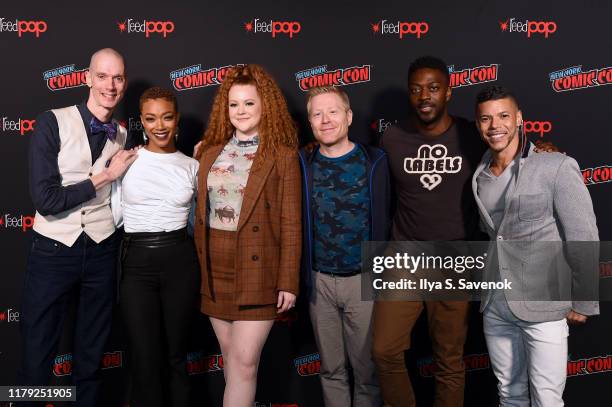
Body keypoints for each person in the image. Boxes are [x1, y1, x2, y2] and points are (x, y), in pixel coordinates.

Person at [21, 48, 137, 406]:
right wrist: (105, 176)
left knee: (91, 356)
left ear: (125, 82)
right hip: (53, 251)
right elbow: (46, 200)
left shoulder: (122, 135)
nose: (110, 85)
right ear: (87, 78)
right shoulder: (51, 122)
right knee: (36, 355)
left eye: (117, 77)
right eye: (102, 76)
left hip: (102, 250)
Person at [472, 85, 599, 406]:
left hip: (544, 304)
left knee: (547, 398)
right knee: (509, 394)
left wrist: (584, 300)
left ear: (519, 119)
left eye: (503, 116)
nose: (494, 125)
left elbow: (583, 234)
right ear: (478, 125)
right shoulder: (480, 174)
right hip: (496, 304)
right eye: (485, 119)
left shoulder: (554, 165)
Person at [372, 56, 484, 407]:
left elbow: (509, 150)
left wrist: (540, 150)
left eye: (433, 88)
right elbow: (364, 167)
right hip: (405, 254)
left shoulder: (471, 135)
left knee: (449, 359)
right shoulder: (392, 138)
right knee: (383, 349)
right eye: (417, 89)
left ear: (448, 92)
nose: (425, 96)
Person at [193, 64, 301, 407]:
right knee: (232, 362)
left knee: (243, 362)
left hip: (259, 269)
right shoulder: (209, 152)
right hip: (215, 268)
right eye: (234, 104)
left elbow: (291, 222)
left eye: (249, 104)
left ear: (265, 105)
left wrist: (288, 280)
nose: (241, 111)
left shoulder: (282, 155)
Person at [298, 86, 389, 407]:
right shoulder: (302, 164)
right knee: (331, 370)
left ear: (349, 116)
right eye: (317, 114)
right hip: (319, 282)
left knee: (367, 372)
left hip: (363, 281)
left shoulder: (375, 162)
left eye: (333, 112)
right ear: (310, 122)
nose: (325, 120)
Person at [119, 87, 200, 407]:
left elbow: (199, 219)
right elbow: (112, 212)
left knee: (176, 355)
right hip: (136, 264)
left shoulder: (191, 165)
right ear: (142, 121)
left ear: (176, 118)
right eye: (151, 119)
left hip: (180, 261)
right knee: (144, 357)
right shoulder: (126, 161)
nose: (160, 126)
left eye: (167, 117)